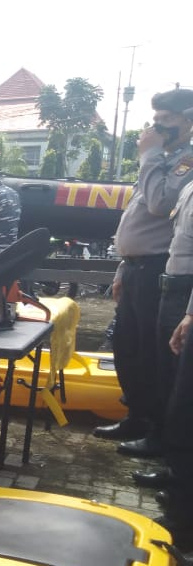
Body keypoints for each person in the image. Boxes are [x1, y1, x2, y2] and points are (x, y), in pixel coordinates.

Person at [93, 88, 193, 457]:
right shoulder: (161, 159)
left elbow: (159, 204)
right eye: (156, 119)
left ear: (188, 120)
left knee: (154, 354)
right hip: (136, 268)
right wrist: (122, 265)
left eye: (167, 120)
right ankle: (136, 415)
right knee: (128, 346)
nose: (158, 127)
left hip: (158, 269)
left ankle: (156, 431)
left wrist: (148, 154)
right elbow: (134, 218)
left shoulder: (186, 162)